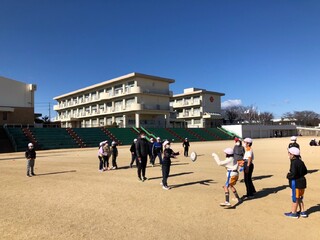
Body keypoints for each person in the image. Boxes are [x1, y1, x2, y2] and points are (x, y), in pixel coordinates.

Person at [284, 147, 308, 218]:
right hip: (302, 182)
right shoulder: (301, 161)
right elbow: (305, 171)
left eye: (289, 153)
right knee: (300, 198)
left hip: (296, 183)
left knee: (295, 198)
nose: (288, 154)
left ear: (293, 155)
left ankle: (293, 212)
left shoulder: (294, 162)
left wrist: (288, 175)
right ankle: (302, 211)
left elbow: (293, 173)